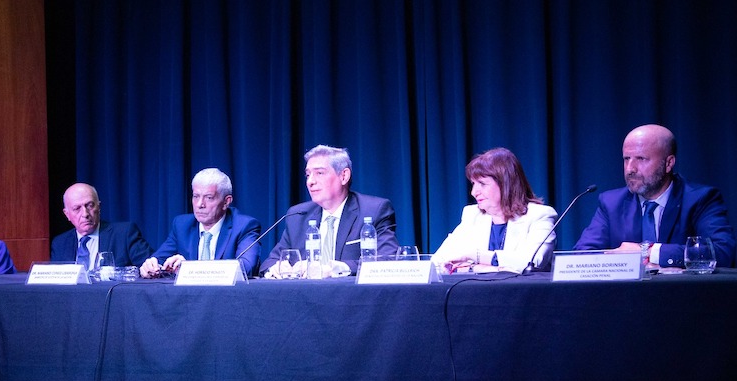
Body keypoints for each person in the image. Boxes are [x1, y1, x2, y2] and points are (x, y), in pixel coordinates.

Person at [575, 124, 736, 268]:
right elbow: (582, 256)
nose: (630, 169)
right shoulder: (611, 203)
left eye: (641, 159)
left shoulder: (700, 199)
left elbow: (722, 252)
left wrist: (649, 252)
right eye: (626, 159)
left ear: (668, 163)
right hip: (626, 298)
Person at [261, 145, 399, 276]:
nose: (310, 181)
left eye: (319, 173)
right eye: (308, 175)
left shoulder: (374, 210)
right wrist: (277, 268)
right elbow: (269, 263)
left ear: (344, 176)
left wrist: (337, 268)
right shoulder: (298, 216)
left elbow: (387, 260)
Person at [431, 148, 558, 273]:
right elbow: (438, 263)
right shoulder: (472, 215)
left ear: (505, 184)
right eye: (473, 184)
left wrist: (476, 256)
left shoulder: (539, 215)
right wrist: (477, 268)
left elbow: (533, 262)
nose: (474, 192)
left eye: (482, 184)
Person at [139, 168, 263, 278]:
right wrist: (151, 265)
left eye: (209, 197)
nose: (200, 205)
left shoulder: (244, 226)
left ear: (226, 202)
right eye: (196, 196)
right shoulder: (182, 225)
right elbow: (160, 259)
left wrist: (189, 268)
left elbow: (246, 268)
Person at [50, 183, 154, 269]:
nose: (85, 214)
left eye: (90, 205)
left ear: (99, 207)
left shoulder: (124, 234)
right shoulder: (60, 244)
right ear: (67, 214)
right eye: (77, 208)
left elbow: (149, 269)